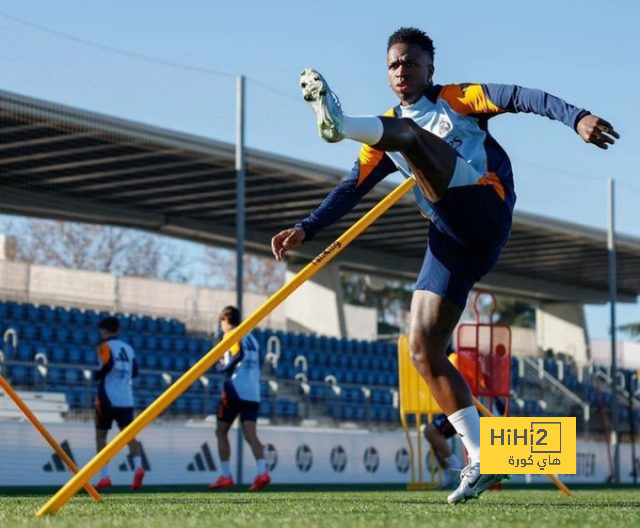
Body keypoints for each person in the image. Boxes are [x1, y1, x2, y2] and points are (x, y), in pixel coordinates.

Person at [271, 27, 618, 504]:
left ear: (430, 69)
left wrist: (576, 117)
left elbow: (522, 96)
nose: (401, 71)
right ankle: (480, 459)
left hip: (485, 208)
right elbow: (350, 187)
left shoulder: (457, 99)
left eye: (411, 62)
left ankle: (338, 120)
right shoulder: (385, 135)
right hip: (450, 240)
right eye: (394, 64)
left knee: (411, 136)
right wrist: (306, 228)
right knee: (423, 350)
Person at [208, 306, 270, 492]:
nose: (221, 327)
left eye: (221, 322)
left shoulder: (231, 335)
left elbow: (238, 353)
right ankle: (262, 472)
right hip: (253, 391)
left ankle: (226, 475)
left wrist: (223, 368)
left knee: (220, 431)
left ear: (226, 320)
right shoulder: (253, 338)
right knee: (251, 435)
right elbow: (258, 361)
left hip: (235, 388)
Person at [93, 316, 144, 490]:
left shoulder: (103, 346)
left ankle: (104, 476)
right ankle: (138, 467)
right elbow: (135, 371)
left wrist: (97, 375)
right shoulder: (128, 348)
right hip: (126, 398)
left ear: (105, 330)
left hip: (107, 397)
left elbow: (108, 363)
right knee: (129, 437)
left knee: (101, 437)